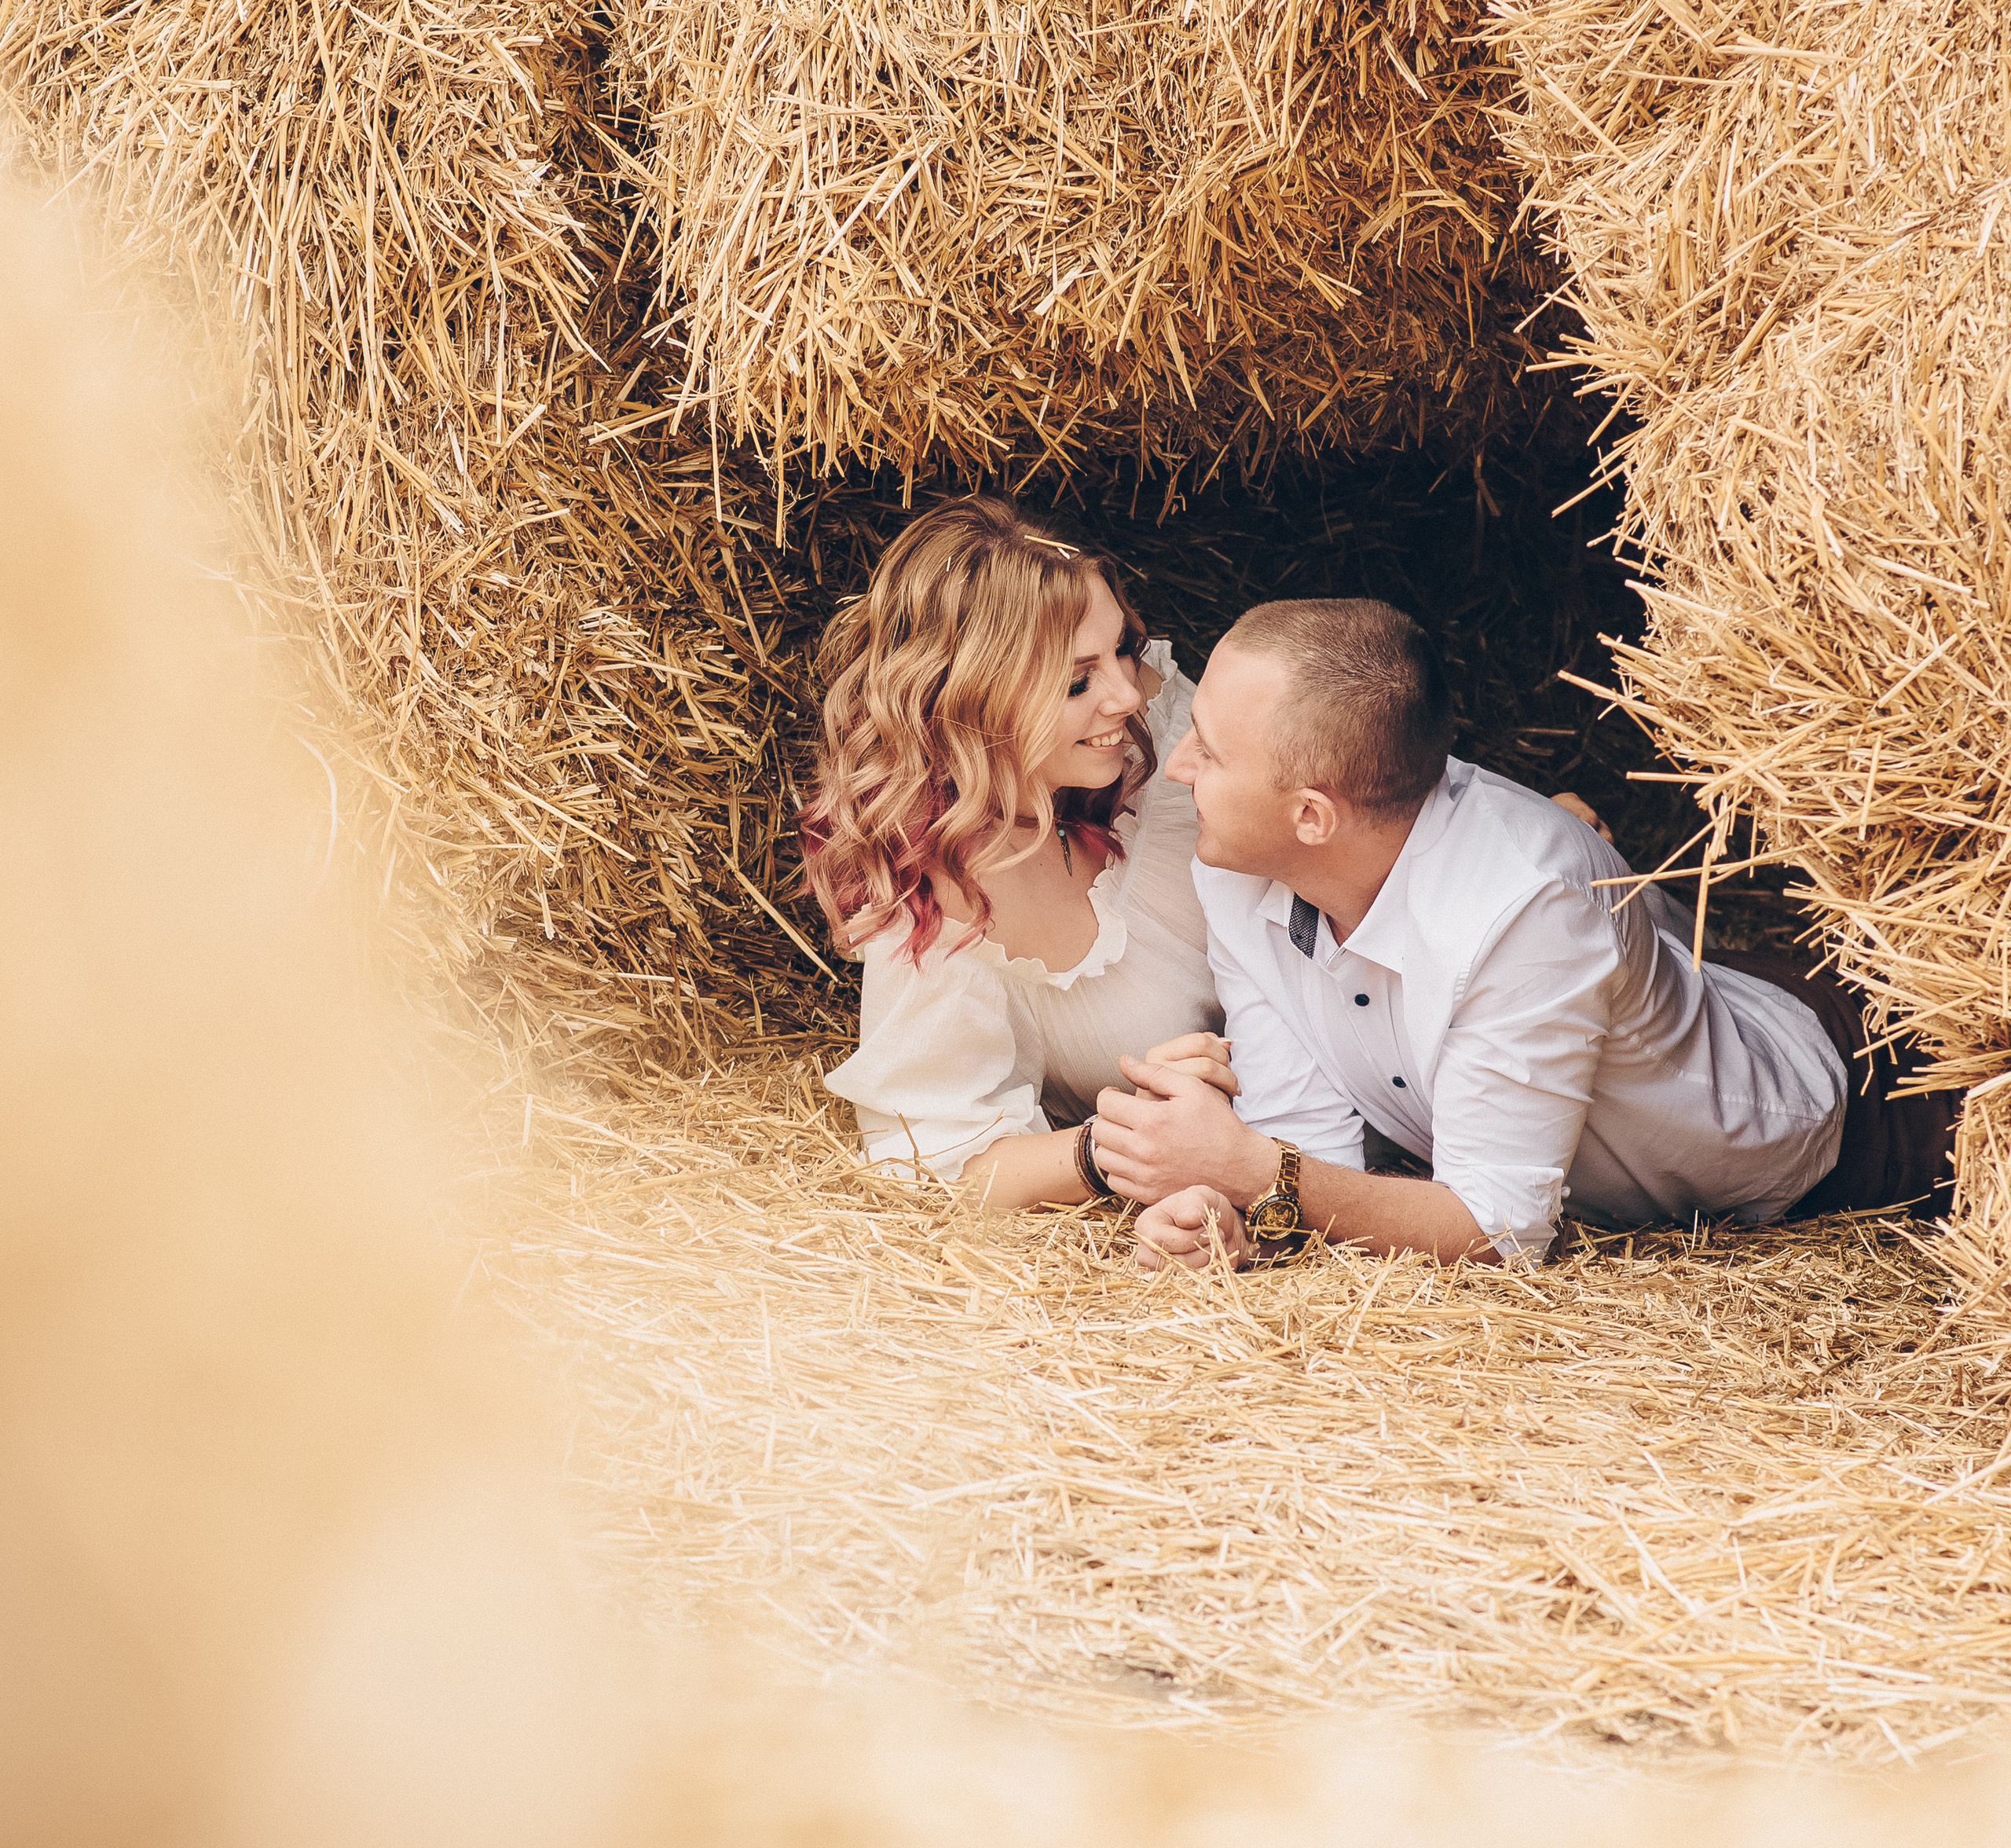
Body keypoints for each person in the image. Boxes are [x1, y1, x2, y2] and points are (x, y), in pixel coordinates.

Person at [1093, 597, 1961, 1270]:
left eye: (1208, 748)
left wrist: (1253, 1172)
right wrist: (1228, 1215)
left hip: (1862, 1107)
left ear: (1312, 817)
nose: (1178, 766)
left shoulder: (1525, 909)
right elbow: (1304, 1144)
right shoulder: (1238, 861)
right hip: (1635, 1008)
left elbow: (1501, 1232)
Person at [802, 494, 1230, 1206]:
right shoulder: (941, 896)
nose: (1126, 693)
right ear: (972, 701)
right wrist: (1119, 1140)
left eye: (1121, 647)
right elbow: (935, 1164)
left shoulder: (1166, 717)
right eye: (1076, 681)